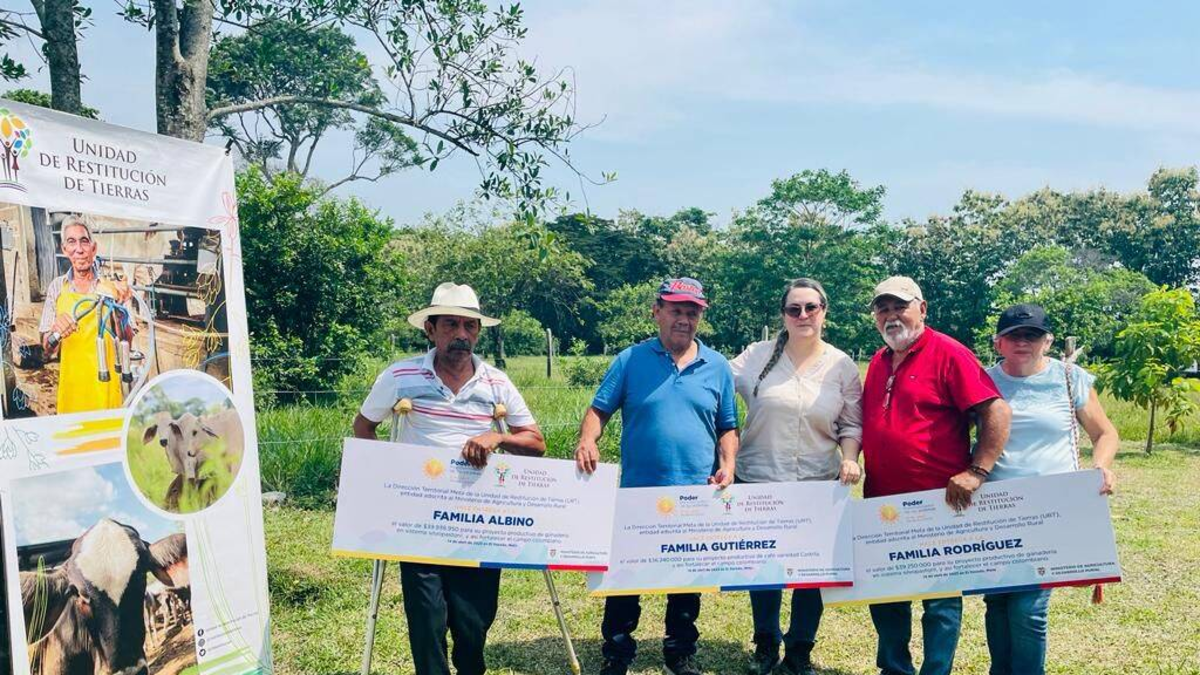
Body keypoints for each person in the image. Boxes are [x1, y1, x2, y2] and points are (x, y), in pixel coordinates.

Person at [352, 282, 546, 675]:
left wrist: (497, 437)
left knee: (474, 621)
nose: (461, 334)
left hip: (479, 518)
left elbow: (536, 442)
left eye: (470, 326)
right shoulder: (400, 375)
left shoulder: (496, 383)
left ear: (478, 332)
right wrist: (387, 480)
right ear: (430, 329)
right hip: (419, 518)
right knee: (426, 615)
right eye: (451, 325)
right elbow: (364, 427)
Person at [575, 277, 739, 675]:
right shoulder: (631, 360)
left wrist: (729, 464)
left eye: (692, 312)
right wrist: (587, 439)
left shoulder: (717, 366)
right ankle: (617, 652)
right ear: (656, 312)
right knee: (625, 580)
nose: (684, 319)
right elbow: (599, 410)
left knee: (686, 582)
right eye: (676, 310)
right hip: (637, 493)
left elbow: (727, 426)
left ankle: (679, 652)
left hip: (695, 494)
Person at [861, 276, 1012, 675]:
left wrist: (977, 470)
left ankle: (936, 671)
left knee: (940, 600)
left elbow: (995, 410)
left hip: (938, 502)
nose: (891, 316)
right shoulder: (878, 360)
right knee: (886, 593)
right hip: (883, 502)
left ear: (922, 309)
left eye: (900, 306)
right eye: (883, 309)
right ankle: (895, 668)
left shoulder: (949, 352)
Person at [728, 278, 862, 675]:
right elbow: (712, 385)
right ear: (783, 315)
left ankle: (800, 650)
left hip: (818, 484)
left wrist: (849, 458)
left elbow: (851, 424)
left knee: (812, 572)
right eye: (794, 309)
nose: (803, 315)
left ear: (824, 312)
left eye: (811, 308)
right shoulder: (755, 357)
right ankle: (766, 644)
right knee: (764, 567)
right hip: (760, 479)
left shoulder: (841, 365)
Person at [981, 303, 1118, 675]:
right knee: (998, 602)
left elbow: (1105, 433)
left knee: (1029, 609)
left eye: (1032, 335)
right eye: (1013, 336)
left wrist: (1100, 466)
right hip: (995, 508)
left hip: (1050, 512)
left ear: (1048, 341)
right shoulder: (983, 380)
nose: (1022, 342)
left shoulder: (1070, 378)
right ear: (998, 342)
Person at [39, 215, 134, 414]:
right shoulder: (57, 287)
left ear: (94, 248)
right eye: (71, 242)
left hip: (106, 389)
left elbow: (128, 341)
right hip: (72, 391)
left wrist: (120, 312)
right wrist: (56, 332)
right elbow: (45, 350)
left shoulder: (111, 288)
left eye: (84, 241)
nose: (79, 249)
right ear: (64, 249)